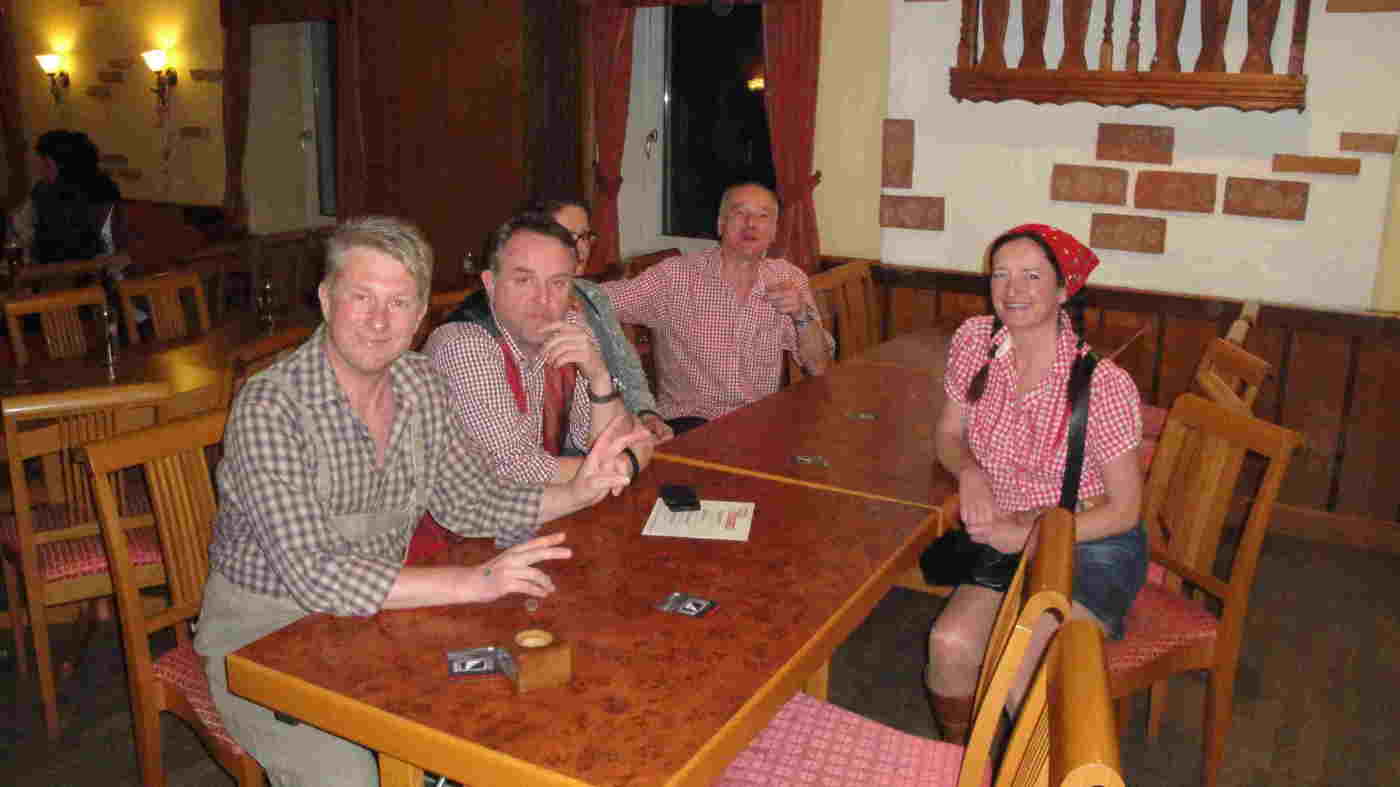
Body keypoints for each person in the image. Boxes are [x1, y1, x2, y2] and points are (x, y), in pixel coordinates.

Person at [194, 216, 647, 787]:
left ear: (418, 316)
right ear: (327, 299)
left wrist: (577, 493)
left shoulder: (420, 383)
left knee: (510, 716)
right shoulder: (272, 405)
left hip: (375, 620)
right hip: (263, 639)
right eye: (362, 297)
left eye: (399, 302)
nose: (379, 320)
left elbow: (469, 501)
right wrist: (473, 582)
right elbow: (315, 573)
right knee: (352, 777)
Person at [925, 224, 1146, 743]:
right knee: (949, 643)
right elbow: (948, 434)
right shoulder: (975, 341)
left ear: (1063, 290)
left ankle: (1039, 769)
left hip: (1087, 541)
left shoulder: (1102, 383)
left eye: (1031, 276)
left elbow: (1124, 511)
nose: (1012, 289)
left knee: (1027, 660)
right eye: (1000, 274)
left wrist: (1027, 535)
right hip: (1009, 533)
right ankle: (964, 765)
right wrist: (970, 471)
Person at [425, 212, 654, 484]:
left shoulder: (570, 326)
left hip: (544, 503)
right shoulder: (464, 345)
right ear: (490, 283)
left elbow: (612, 440)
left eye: (558, 283)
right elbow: (513, 470)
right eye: (524, 280)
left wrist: (599, 378)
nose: (543, 299)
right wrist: (622, 465)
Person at [600, 182, 833, 435]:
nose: (751, 224)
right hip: (692, 423)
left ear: (774, 231)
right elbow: (599, 299)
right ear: (721, 224)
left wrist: (801, 314)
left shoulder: (788, 278)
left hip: (759, 422)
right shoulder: (676, 276)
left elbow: (818, 366)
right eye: (740, 213)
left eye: (762, 216)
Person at [528, 198, 674, 443]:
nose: (582, 249)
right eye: (567, 237)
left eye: (585, 237)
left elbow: (627, 365)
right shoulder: (528, 309)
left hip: (618, 429)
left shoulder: (592, 294)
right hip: (574, 445)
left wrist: (646, 414)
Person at [6, 129, 127, 271]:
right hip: (49, 272)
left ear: (66, 166)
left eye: (47, 166)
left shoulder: (101, 193)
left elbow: (112, 248)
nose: (41, 172)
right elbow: (18, 227)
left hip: (87, 273)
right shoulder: (42, 191)